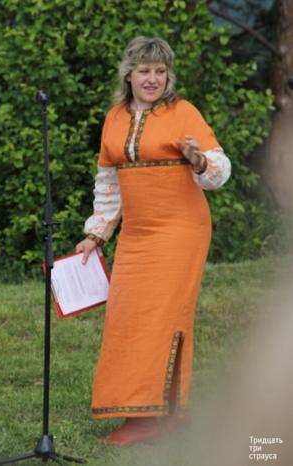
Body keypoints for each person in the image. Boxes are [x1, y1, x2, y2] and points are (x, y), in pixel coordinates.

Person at [75, 36, 231, 446]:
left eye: (160, 71)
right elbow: (108, 183)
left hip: (182, 231)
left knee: (163, 317)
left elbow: (220, 170)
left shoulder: (183, 112)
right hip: (137, 234)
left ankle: (153, 418)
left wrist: (198, 159)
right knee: (126, 315)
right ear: (128, 75)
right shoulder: (114, 118)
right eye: (144, 70)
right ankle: (153, 411)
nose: (152, 78)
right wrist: (96, 233)